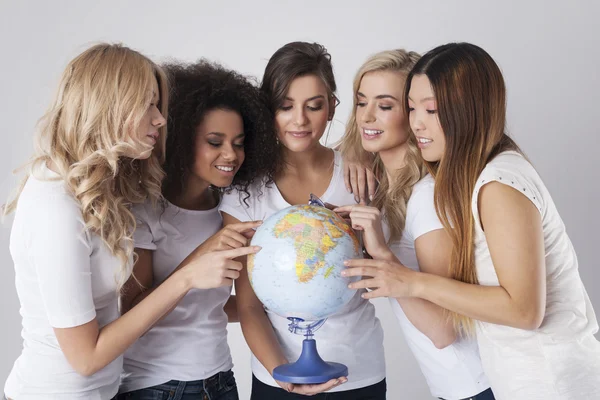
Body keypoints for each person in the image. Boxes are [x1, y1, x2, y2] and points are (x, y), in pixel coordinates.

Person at [343, 42, 600, 399]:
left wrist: (408, 280)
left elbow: (525, 311)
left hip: (552, 384)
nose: (417, 123)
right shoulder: (479, 175)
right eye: (413, 108)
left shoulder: (498, 183)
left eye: (430, 110)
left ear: (468, 111)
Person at [3, 43, 257, 400]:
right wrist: (187, 275)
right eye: (148, 105)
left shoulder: (99, 191)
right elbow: (85, 358)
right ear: (109, 105)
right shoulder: (54, 205)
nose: (160, 119)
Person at [219, 42, 387, 399]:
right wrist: (281, 374)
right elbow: (249, 306)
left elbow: (382, 277)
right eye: (285, 106)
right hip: (276, 374)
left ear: (331, 109)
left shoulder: (360, 176)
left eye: (314, 106)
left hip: (358, 372)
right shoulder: (245, 190)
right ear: (268, 110)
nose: (299, 120)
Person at [336, 48, 493, 400]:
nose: (367, 117)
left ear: (413, 113)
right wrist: (348, 156)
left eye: (386, 106)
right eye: (361, 103)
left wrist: (381, 254)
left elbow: (444, 330)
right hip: (454, 388)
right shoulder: (384, 186)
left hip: (477, 386)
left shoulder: (427, 197)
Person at [117, 59, 275, 400]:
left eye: (239, 142)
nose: (230, 155)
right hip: (159, 386)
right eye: (215, 142)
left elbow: (206, 306)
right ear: (182, 140)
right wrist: (200, 257)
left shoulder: (229, 210)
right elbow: (131, 312)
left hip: (221, 379)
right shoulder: (146, 211)